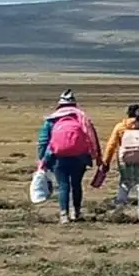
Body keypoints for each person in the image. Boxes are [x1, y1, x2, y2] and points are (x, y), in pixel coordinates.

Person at [36, 89, 101, 224]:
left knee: (63, 185)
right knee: (76, 184)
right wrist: (96, 156)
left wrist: (43, 159)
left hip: (58, 157)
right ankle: (76, 212)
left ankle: (64, 214)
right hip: (80, 157)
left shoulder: (52, 120)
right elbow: (92, 137)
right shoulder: (82, 119)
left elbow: (43, 141)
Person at [100, 104, 139, 222]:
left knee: (125, 184)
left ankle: (119, 210)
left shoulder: (120, 127)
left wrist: (106, 162)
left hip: (125, 161)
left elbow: (111, 145)